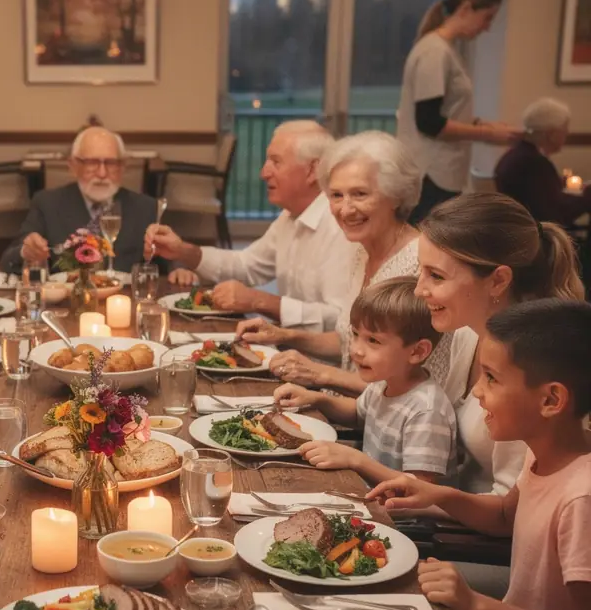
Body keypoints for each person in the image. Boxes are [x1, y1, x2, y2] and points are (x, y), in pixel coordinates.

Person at [367, 299, 591, 610]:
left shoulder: (582, 498)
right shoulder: (546, 454)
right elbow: (506, 516)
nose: (477, 393)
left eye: (491, 378)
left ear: (551, 400)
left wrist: (478, 606)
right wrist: (439, 495)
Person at [236, 130, 449, 394]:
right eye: (336, 195)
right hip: (345, 404)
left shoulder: (420, 265)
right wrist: (283, 335)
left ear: (396, 196)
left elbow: (410, 387)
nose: (345, 210)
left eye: (360, 194)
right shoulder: (361, 252)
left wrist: (320, 374)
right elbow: (350, 345)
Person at [416, 192, 584, 496]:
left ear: (498, 281)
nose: (419, 290)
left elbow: (512, 507)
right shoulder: (467, 332)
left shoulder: (530, 363)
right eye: (421, 270)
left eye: (436, 276)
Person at [142, 120, 356, 328]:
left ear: (312, 171)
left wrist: (259, 301)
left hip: (312, 351)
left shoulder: (340, 226)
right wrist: (182, 251)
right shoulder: (290, 216)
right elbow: (246, 266)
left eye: (276, 162)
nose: (264, 173)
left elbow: (341, 320)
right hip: (288, 342)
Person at [275, 277, 456, 485]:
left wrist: (356, 460)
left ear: (417, 351)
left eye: (373, 340)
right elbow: (358, 413)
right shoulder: (384, 383)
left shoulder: (426, 411)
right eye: (355, 334)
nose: (356, 350)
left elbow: (421, 487)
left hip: (397, 507)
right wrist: (317, 399)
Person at [397, 0, 521, 222]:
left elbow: (448, 112)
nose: (487, 27)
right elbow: (429, 122)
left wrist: (483, 125)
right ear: (465, 8)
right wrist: (487, 134)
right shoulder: (434, 51)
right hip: (430, 173)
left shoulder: (445, 49)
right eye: (487, 17)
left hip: (442, 172)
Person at [0, 126, 163, 275]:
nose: (102, 173)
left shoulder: (146, 207)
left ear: (122, 167)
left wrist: (176, 266)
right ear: (73, 166)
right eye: (92, 163)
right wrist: (26, 252)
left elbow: (167, 263)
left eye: (111, 163)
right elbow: (9, 260)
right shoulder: (47, 203)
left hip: (125, 295)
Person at [495, 97, 591, 225]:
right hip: (534, 232)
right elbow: (554, 215)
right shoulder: (534, 163)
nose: (567, 133)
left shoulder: (516, 154)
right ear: (550, 134)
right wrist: (587, 197)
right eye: (564, 128)